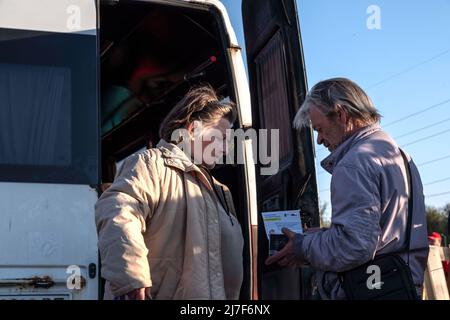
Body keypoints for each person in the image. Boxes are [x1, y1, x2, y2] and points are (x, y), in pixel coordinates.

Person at [266, 78, 429, 299]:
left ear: (342, 115)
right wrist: (323, 236)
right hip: (400, 287)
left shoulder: (353, 163)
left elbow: (353, 246)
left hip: (368, 291)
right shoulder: (399, 155)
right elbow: (381, 235)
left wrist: (302, 247)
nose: (319, 140)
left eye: (320, 129)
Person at [95, 85, 244, 300]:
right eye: (220, 138)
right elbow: (117, 211)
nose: (225, 149)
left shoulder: (221, 191)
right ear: (193, 130)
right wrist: (132, 278)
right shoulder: (150, 164)